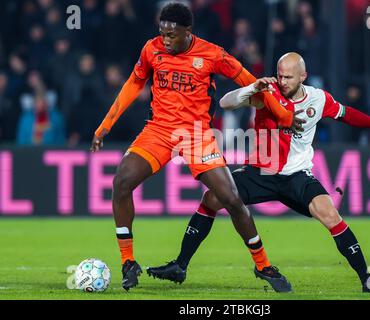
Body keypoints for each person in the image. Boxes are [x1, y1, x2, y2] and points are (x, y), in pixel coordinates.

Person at [148, 52, 370, 293]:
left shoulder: (318, 99)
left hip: (297, 176)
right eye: (280, 75)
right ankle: (180, 266)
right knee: (211, 199)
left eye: (288, 76)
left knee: (330, 213)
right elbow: (228, 103)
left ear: (303, 76)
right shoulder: (267, 92)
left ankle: (367, 280)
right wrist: (252, 87)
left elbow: (346, 114)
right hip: (260, 172)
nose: (283, 81)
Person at [90, 3, 303, 292]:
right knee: (121, 182)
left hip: (196, 135)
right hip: (159, 131)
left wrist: (284, 116)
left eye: (171, 35)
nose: (164, 40)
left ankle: (263, 265)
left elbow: (253, 84)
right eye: (162, 33)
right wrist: (104, 126)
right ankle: (128, 262)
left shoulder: (212, 54)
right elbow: (132, 84)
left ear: (187, 32)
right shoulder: (151, 50)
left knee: (231, 198)